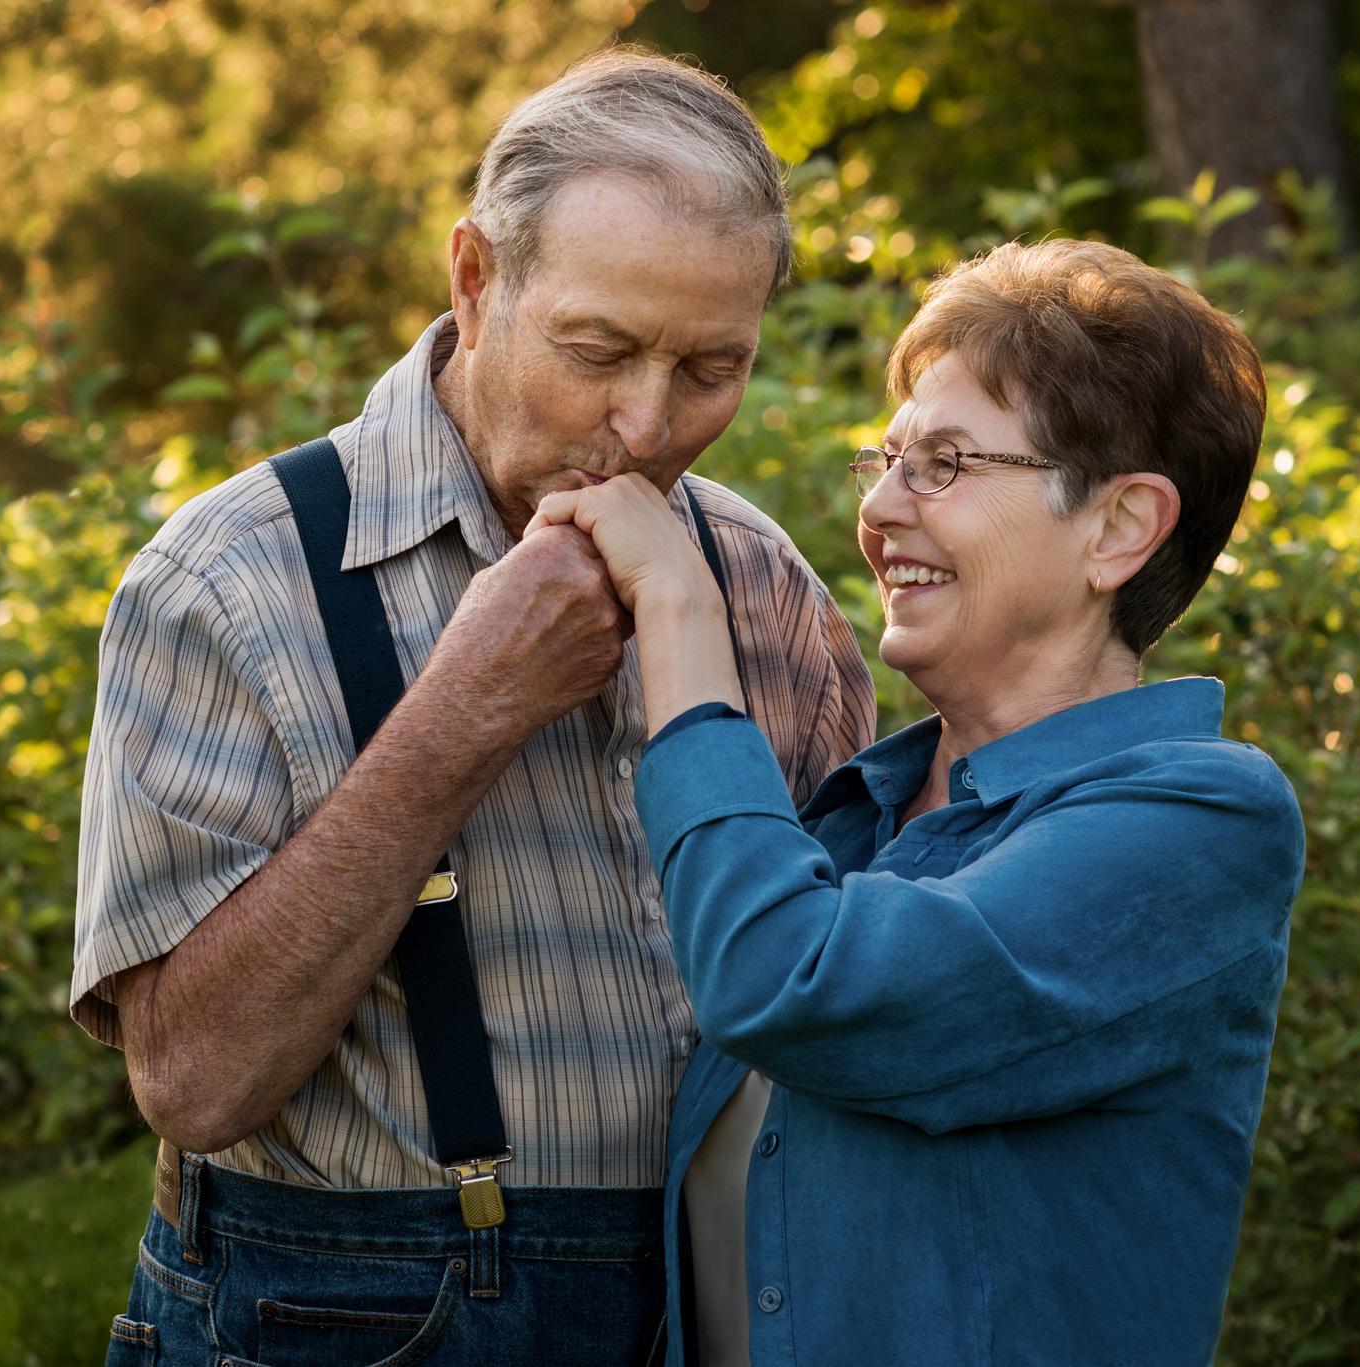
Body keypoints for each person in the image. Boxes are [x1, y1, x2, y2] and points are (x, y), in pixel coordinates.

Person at [71, 50, 875, 1367]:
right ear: (475, 278)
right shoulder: (231, 579)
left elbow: (837, 1007)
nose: (646, 421)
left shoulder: (764, 582)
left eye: (709, 367)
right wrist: (465, 706)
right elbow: (193, 1080)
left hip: (716, 1301)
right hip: (344, 1313)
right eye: (598, 348)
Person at [530, 238, 1306, 1365]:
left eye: (943, 463)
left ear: (1118, 527)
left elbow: (792, 982)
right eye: (884, 461)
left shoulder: (1200, 823)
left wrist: (680, 621)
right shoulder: (846, 815)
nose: (881, 509)